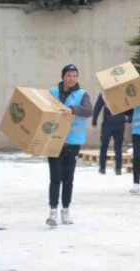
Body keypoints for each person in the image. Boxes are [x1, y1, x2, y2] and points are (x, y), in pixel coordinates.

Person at [46, 64, 93, 227]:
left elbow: (89, 111)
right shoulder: (52, 93)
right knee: (55, 177)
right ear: (63, 77)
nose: (72, 79)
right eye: (69, 75)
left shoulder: (82, 94)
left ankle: (65, 210)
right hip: (53, 140)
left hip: (73, 141)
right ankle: (52, 211)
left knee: (68, 178)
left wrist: (72, 109)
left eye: (75, 76)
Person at [92, 93, 129, 175]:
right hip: (116, 123)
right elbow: (129, 105)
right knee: (116, 147)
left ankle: (103, 168)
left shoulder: (106, 93)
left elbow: (97, 107)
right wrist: (128, 119)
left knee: (105, 146)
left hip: (110, 123)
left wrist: (94, 121)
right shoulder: (120, 92)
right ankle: (116, 168)